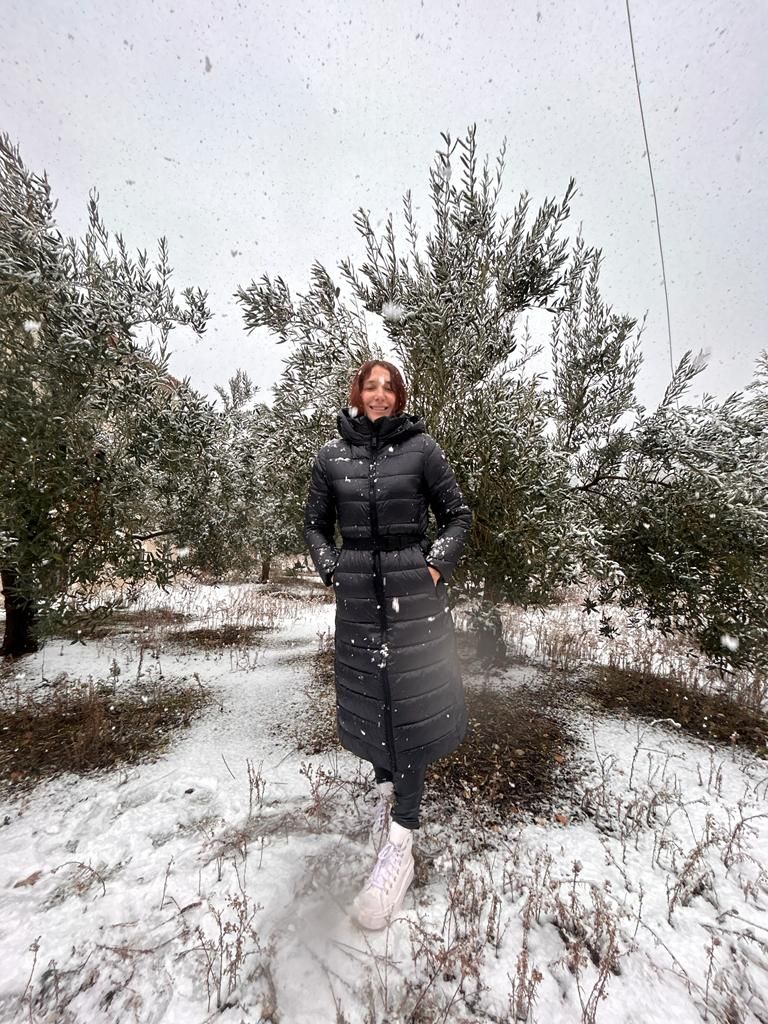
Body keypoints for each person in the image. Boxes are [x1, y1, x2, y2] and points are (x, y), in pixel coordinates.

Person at [304, 359, 472, 929]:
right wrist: (333, 569)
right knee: (371, 702)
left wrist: (431, 569)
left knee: (412, 707)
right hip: (356, 600)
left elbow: (458, 517)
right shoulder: (331, 457)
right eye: (371, 386)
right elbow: (313, 524)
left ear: (399, 397)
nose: (379, 395)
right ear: (358, 394)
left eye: (389, 387)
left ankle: (402, 838)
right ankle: (390, 793)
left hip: (412, 598)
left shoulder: (422, 450)